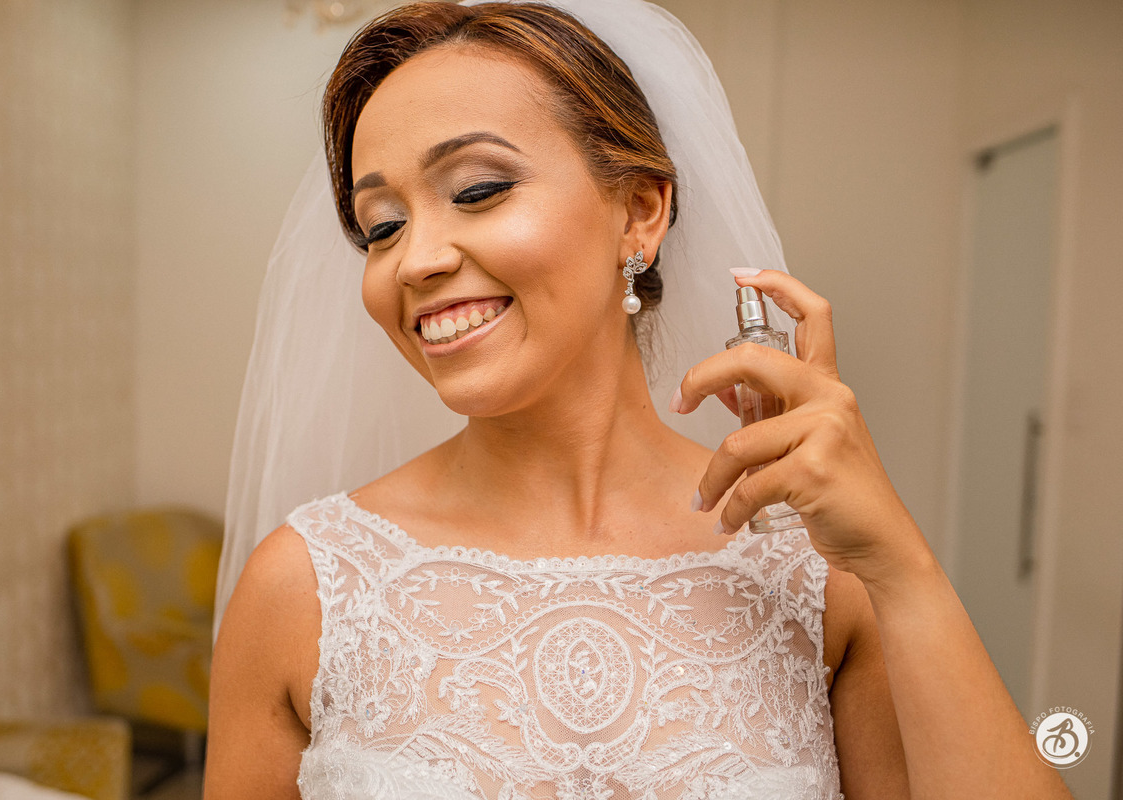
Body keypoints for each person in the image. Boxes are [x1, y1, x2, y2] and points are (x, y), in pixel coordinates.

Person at [205, 1, 1075, 798]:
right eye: (382, 227)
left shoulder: (816, 569)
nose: (416, 260)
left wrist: (903, 570)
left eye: (477, 190)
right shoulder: (302, 587)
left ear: (640, 212)